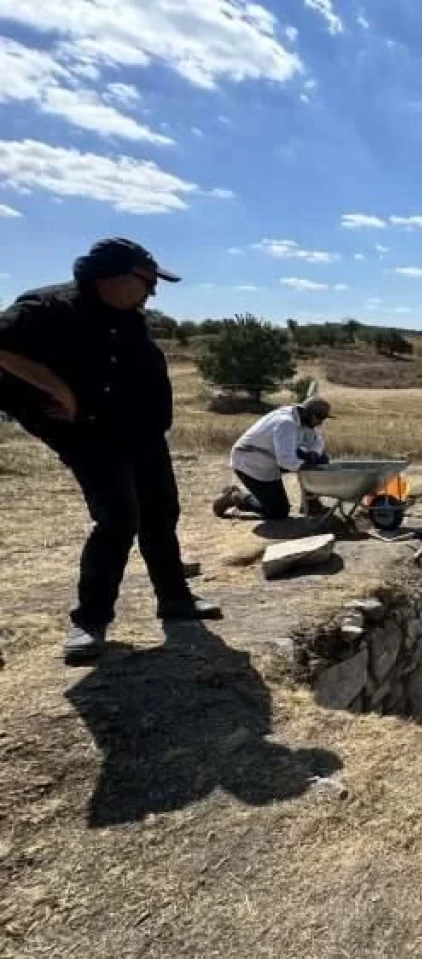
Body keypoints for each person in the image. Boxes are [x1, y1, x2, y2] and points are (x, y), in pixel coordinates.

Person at [0, 238, 221, 664]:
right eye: (147, 281)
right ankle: (90, 620)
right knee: (118, 519)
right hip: (92, 435)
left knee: (160, 513)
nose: (152, 292)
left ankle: (175, 600)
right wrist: (60, 390)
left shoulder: (127, 315)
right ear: (114, 275)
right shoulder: (48, 307)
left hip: (142, 431)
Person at [213, 396, 332, 520]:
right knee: (278, 512)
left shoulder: (302, 419)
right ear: (311, 414)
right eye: (320, 418)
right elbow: (286, 460)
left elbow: (317, 441)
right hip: (251, 462)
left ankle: (311, 503)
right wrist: (308, 467)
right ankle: (236, 496)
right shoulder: (286, 423)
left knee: (320, 459)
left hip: (270, 457)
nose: (321, 422)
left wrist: (314, 453)